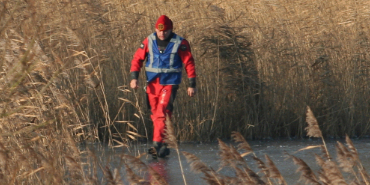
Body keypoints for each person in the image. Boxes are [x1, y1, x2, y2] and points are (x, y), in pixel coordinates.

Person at [129, 15, 197, 158]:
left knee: (162, 112)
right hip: (152, 84)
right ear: (155, 29)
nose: (162, 34)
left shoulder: (180, 43)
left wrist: (192, 84)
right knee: (155, 115)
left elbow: (189, 63)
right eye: (159, 31)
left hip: (170, 83)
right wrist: (134, 78)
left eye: (165, 31)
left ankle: (156, 144)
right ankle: (164, 145)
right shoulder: (149, 40)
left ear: (171, 29)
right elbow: (137, 59)